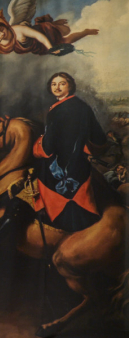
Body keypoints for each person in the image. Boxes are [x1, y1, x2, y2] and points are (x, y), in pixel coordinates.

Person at [32, 72, 108, 232]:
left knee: (33, 175)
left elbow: (48, 146)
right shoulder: (83, 107)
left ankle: (54, 230)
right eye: (54, 84)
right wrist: (85, 148)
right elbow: (99, 138)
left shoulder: (56, 110)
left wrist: (37, 147)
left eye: (62, 83)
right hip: (79, 164)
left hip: (56, 164)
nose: (57, 87)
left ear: (70, 86)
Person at [0, 9, 97, 61]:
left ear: (5, 26)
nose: (2, 34)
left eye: (2, 29)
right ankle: (83, 32)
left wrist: (51, 49)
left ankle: (85, 32)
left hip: (45, 33)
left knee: (66, 36)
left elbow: (39, 36)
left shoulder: (17, 30)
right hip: (38, 47)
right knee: (65, 41)